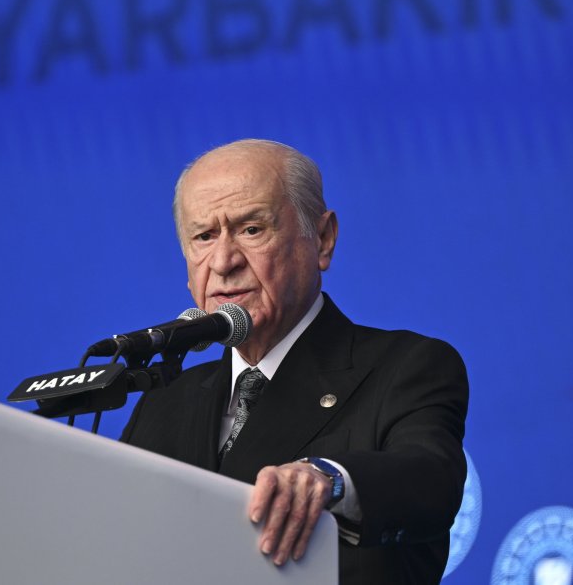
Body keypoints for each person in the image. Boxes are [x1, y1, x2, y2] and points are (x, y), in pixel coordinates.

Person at [121, 139, 469, 584]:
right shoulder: (163, 403)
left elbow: (431, 480)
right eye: (204, 236)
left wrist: (330, 479)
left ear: (322, 240)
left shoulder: (405, 368)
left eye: (251, 229)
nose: (223, 262)